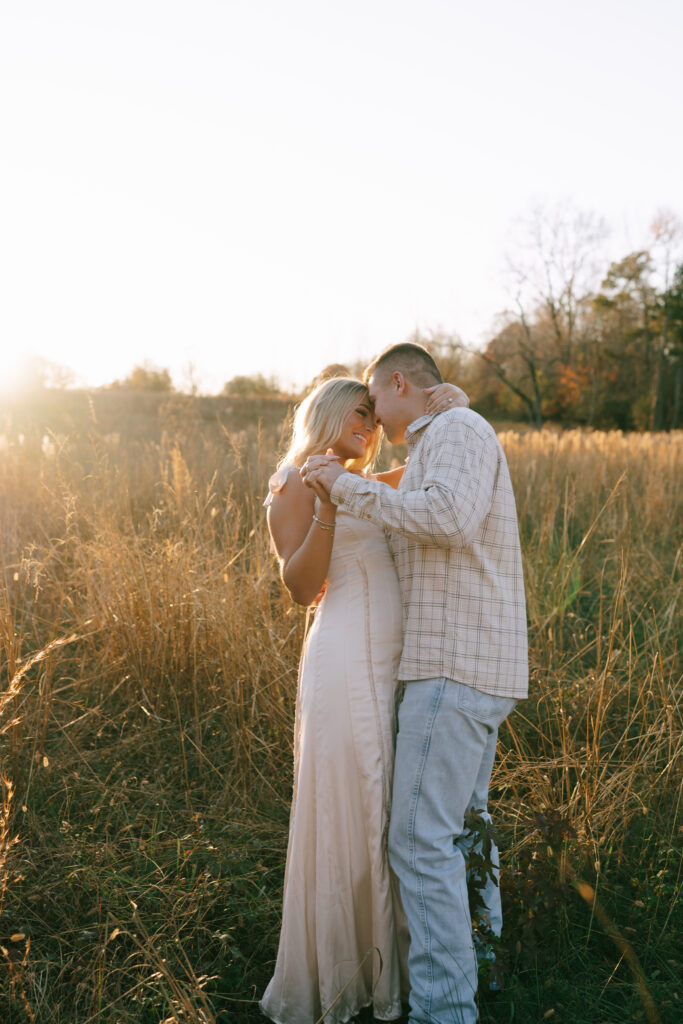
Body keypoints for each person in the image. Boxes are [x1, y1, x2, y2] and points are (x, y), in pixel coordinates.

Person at [301, 343, 528, 1024]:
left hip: (452, 669)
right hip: (466, 666)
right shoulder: (448, 431)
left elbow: (448, 517)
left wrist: (343, 488)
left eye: (376, 400)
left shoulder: (458, 430)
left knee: (417, 841)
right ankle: (478, 965)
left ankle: (444, 1010)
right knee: (462, 828)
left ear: (400, 382)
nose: (372, 416)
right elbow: (421, 509)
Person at [260, 374, 467, 1024]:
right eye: (358, 412)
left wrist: (447, 412)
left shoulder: (370, 484)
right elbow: (298, 587)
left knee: (386, 810)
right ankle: (348, 976)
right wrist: (325, 501)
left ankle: (398, 969)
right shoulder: (293, 482)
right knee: (350, 805)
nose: (368, 425)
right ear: (326, 413)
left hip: (392, 668)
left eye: (373, 417)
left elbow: (432, 475)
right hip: (343, 660)